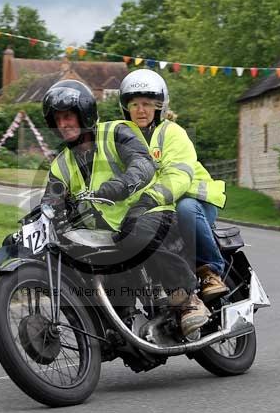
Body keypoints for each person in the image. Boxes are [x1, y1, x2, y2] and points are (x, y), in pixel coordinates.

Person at [41, 79, 211, 336]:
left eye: (68, 117)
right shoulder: (61, 164)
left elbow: (142, 163)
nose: (63, 124)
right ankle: (117, 324)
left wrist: (120, 185)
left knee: (136, 235)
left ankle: (187, 300)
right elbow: (50, 201)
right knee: (76, 259)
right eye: (58, 119)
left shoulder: (116, 132)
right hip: (109, 231)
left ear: (84, 114)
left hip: (149, 209)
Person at [117, 69, 229, 302]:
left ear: (160, 106)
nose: (140, 110)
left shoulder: (172, 132)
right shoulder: (122, 138)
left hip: (194, 201)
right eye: (134, 104)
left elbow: (177, 177)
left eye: (147, 103)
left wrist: (148, 200)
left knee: (185, 208)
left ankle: (211, 270)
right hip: (161, 206)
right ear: (125, 107)